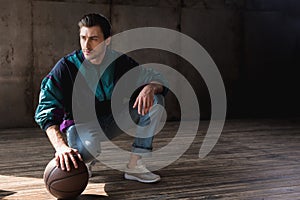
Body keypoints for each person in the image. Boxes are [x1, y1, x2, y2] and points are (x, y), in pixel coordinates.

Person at [34, 13, 167, 183]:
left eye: (94, 39)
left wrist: (150, 87)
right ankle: (87, 160)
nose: (86, 45)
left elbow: (157, 77)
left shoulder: (120, 62)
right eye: (83, 38)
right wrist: (60, 147)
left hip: (112, 121)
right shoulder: (66, 67)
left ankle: (134, 166)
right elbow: (46, 109)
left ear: (107, 40)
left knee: (156, 102)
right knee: (83, 153)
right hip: (81, 126)